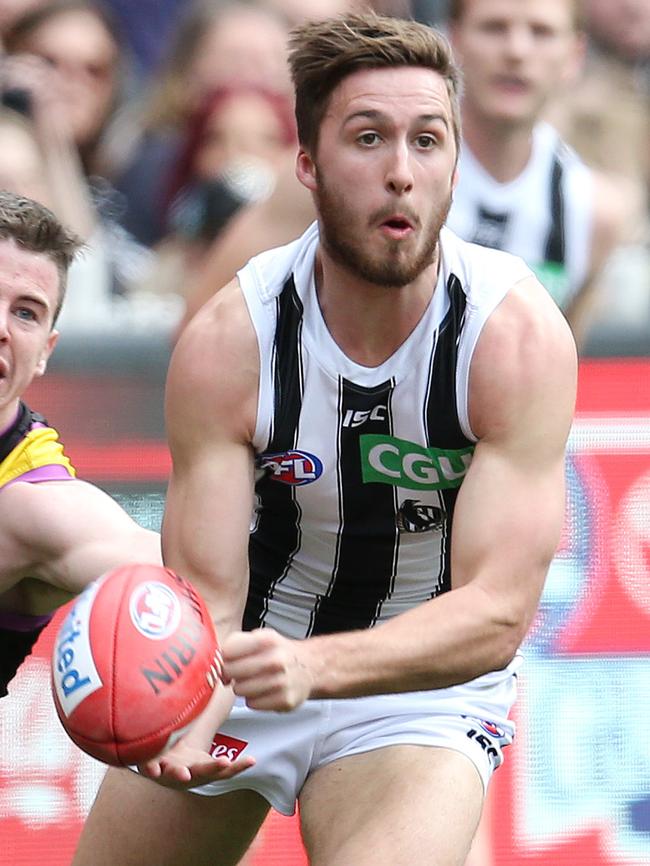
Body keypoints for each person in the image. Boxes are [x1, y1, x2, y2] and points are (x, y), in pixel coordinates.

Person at [73, 13, 577, 866]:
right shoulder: (230, 339)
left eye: (428, 142)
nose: (401, 174)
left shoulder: (513, 335)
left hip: (420, 688)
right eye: (368, 139)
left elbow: (496, 616)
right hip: (240, 670)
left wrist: (323, 668)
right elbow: (208, 597)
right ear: (305, 166)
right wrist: (180, 705)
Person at [0, 189, 161, 698]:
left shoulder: (36, 508)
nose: (1, 328)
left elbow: (204, 586)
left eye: (26, 313)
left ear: (45, 351)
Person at [445, 0, 643, 346]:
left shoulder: (595, 213)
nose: (516, 51)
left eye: (541, 32)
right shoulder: (397, 180)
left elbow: (562, 371)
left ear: (575, 55)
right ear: (454, 40)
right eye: (494, 28)